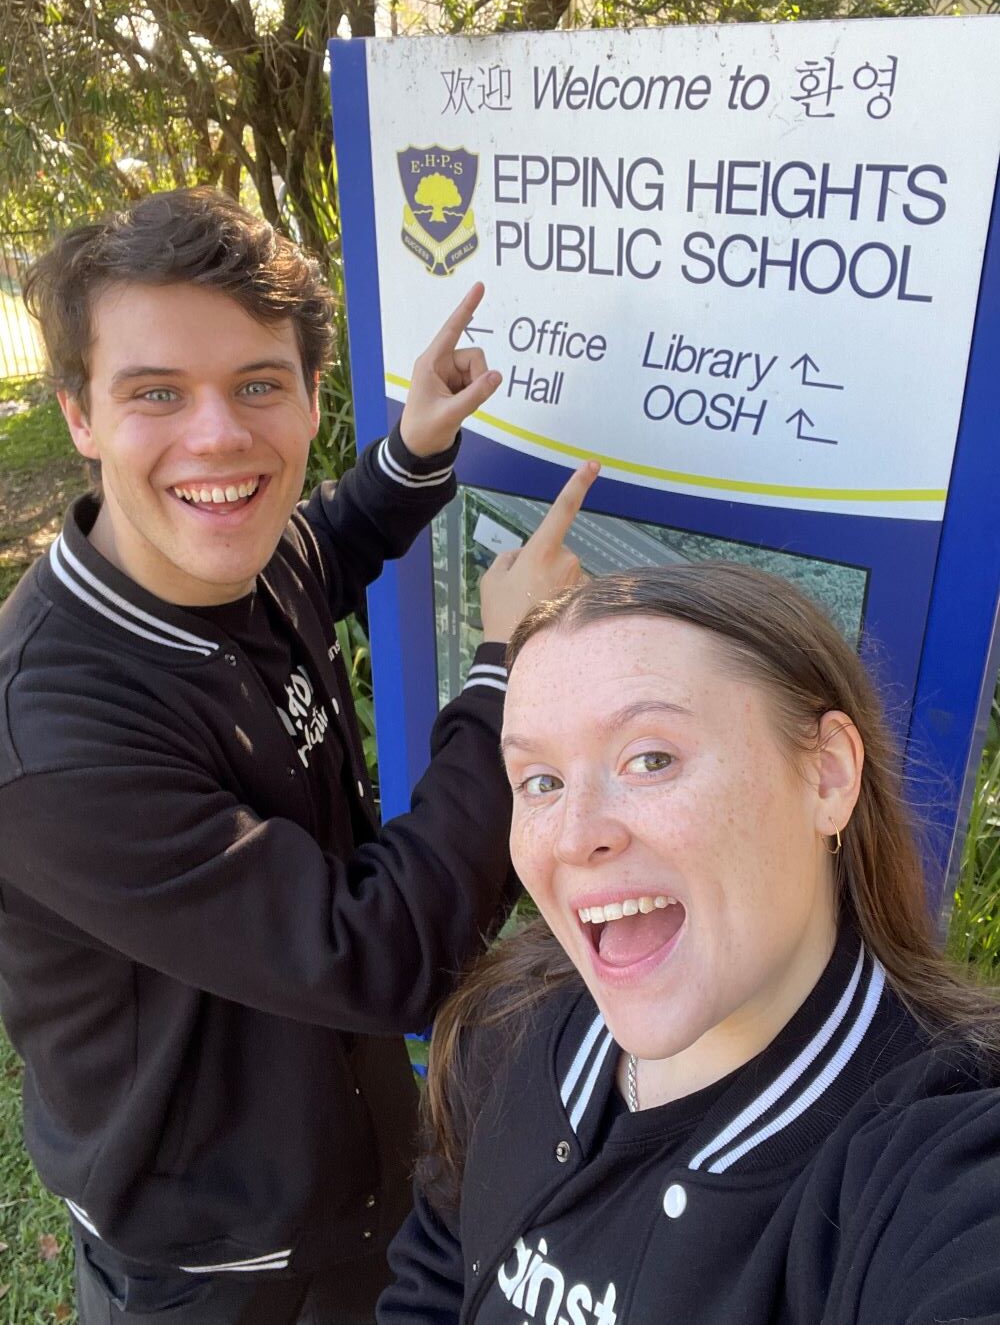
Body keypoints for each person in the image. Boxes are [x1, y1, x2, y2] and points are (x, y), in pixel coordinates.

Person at [0, 187, 597, 1324]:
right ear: (79, 412)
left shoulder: (225, 550)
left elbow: (323, 545)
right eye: (156, 393)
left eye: (258, 385)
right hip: (224, 1259)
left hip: (346, 1150)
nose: (219, 435)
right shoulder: (52, 742)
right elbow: (381, 953)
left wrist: (417, 447)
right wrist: (500, 664)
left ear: (311, 396)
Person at [379, 562, 1000, 1325]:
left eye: (651, 759)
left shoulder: (939, 1162)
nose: (575, 836)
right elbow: (436, 1279)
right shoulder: (507, 1024)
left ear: (828, 774)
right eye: (539, 781)